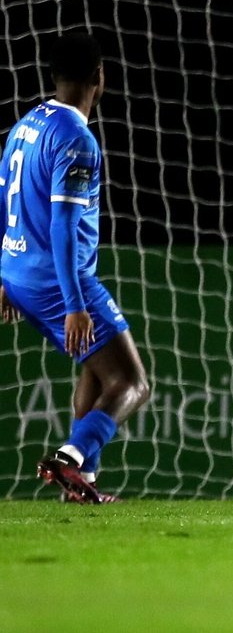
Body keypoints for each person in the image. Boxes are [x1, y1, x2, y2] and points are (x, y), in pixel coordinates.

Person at [1, 30, 152, 504]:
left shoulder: (27, 124)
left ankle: (82, 484)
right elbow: (64, 223)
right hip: (58, 281)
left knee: (97, 369)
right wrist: (74, 304)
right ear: (99, 78)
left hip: (19, 272)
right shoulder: (77, 140)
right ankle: (72, 458)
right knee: (132, 382)